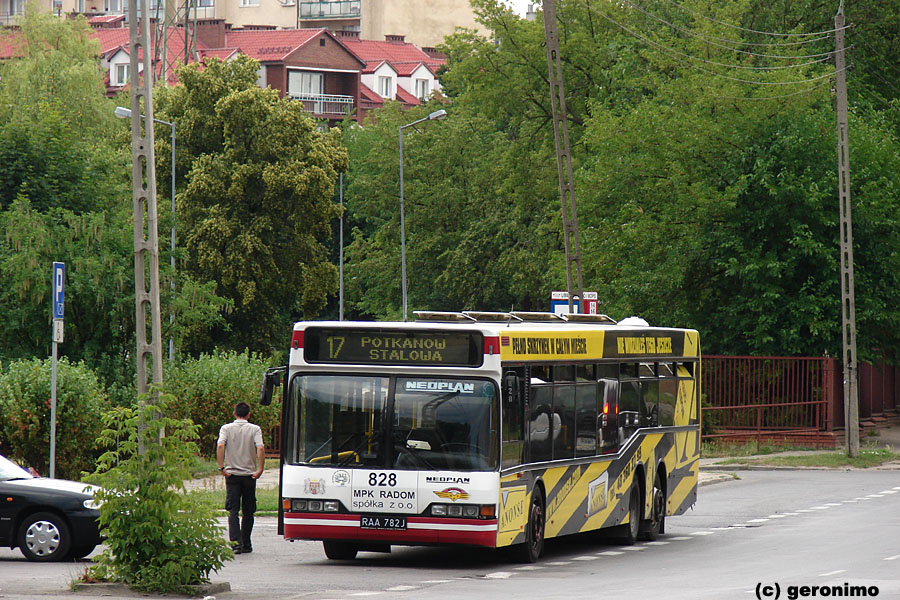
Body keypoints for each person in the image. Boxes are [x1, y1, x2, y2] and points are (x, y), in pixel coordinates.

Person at [217, 402, 265, 554]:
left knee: (233, 510)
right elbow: (261, 447)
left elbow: (220, 445)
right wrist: (260, 469)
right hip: (249, 475)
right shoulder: (255, 429)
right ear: (248, 414)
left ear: (234, 413)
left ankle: (235, 544)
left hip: (232, 474)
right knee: (248, 510)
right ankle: (246, 543)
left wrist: (221, 468)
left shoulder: (226, 428)